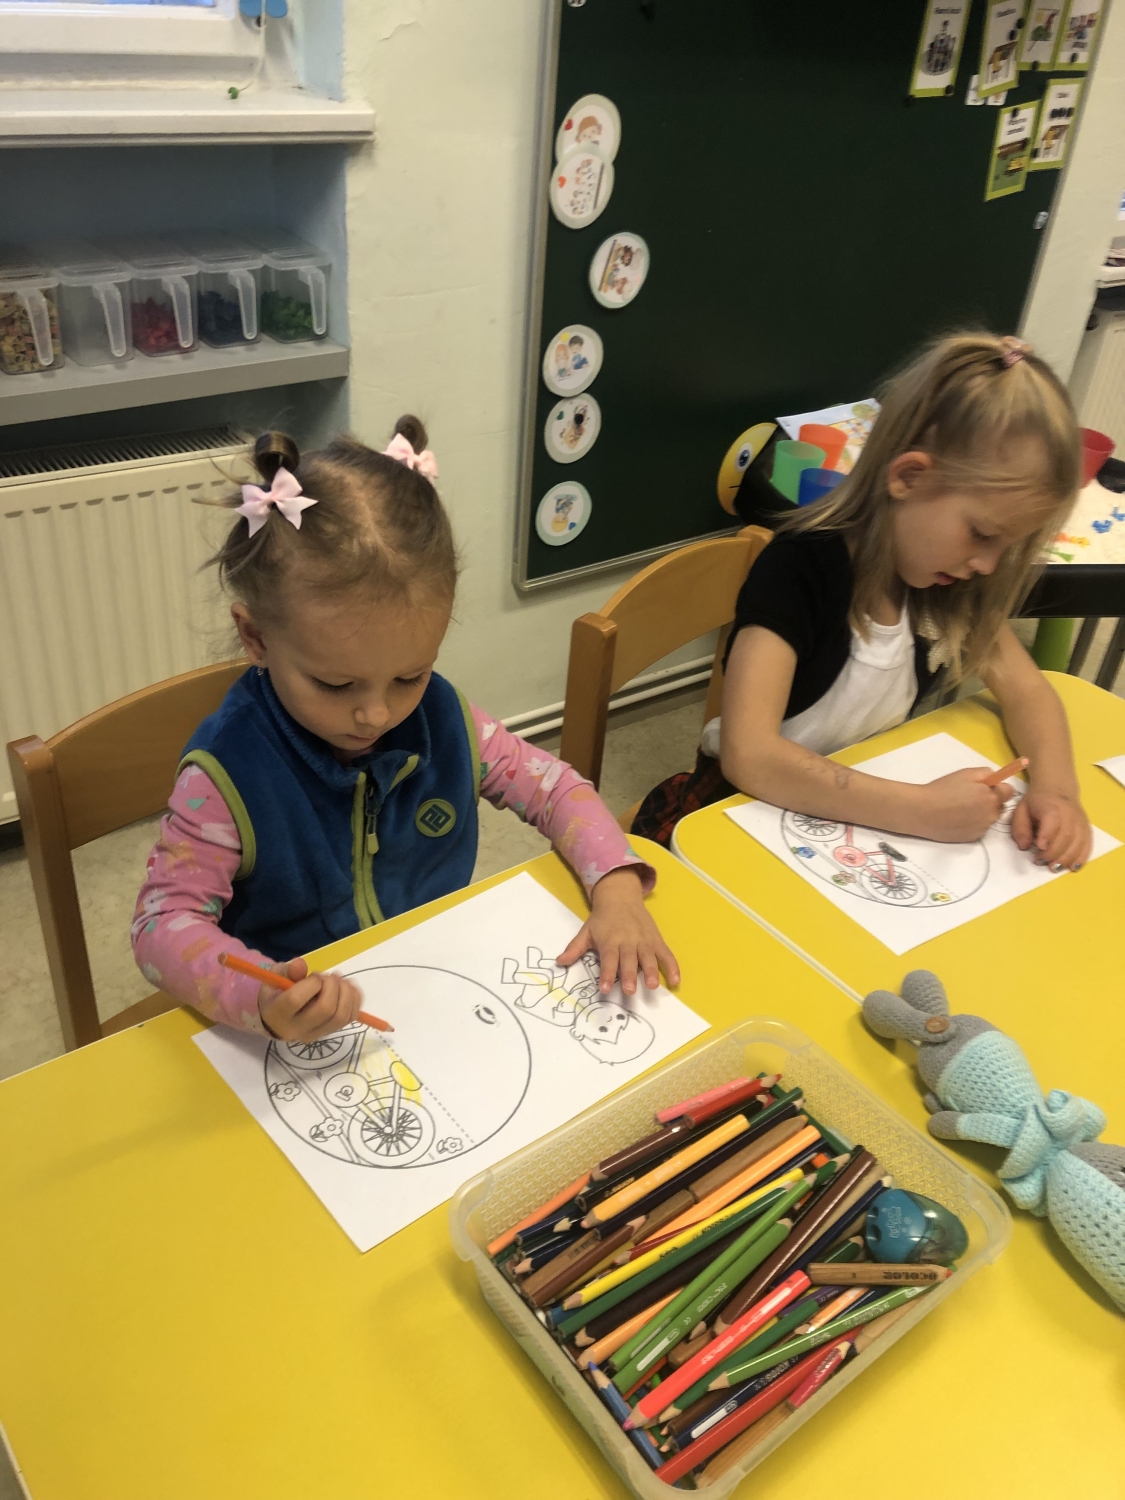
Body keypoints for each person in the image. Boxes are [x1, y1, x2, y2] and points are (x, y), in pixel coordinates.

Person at [133, 418, 678, 1042]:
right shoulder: (225, 775)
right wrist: (258, 994)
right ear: (255, 637)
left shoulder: (444, 720)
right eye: (336, 685)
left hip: (435, 982)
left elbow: (554, 788)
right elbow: (160, 924)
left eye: (409, 675)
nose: (376, 714)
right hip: (297, 1022)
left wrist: (616, 884)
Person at [633, 333, 1093, 873]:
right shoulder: (798, 568)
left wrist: (1057, 791)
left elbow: (1030, 692)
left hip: (851, 825)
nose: (988, 565)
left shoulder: (945, 587)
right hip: (737, 814)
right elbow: (749, 755)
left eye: (1006, 547)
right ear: (908, 477)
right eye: (982, 534)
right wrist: (921, 809)